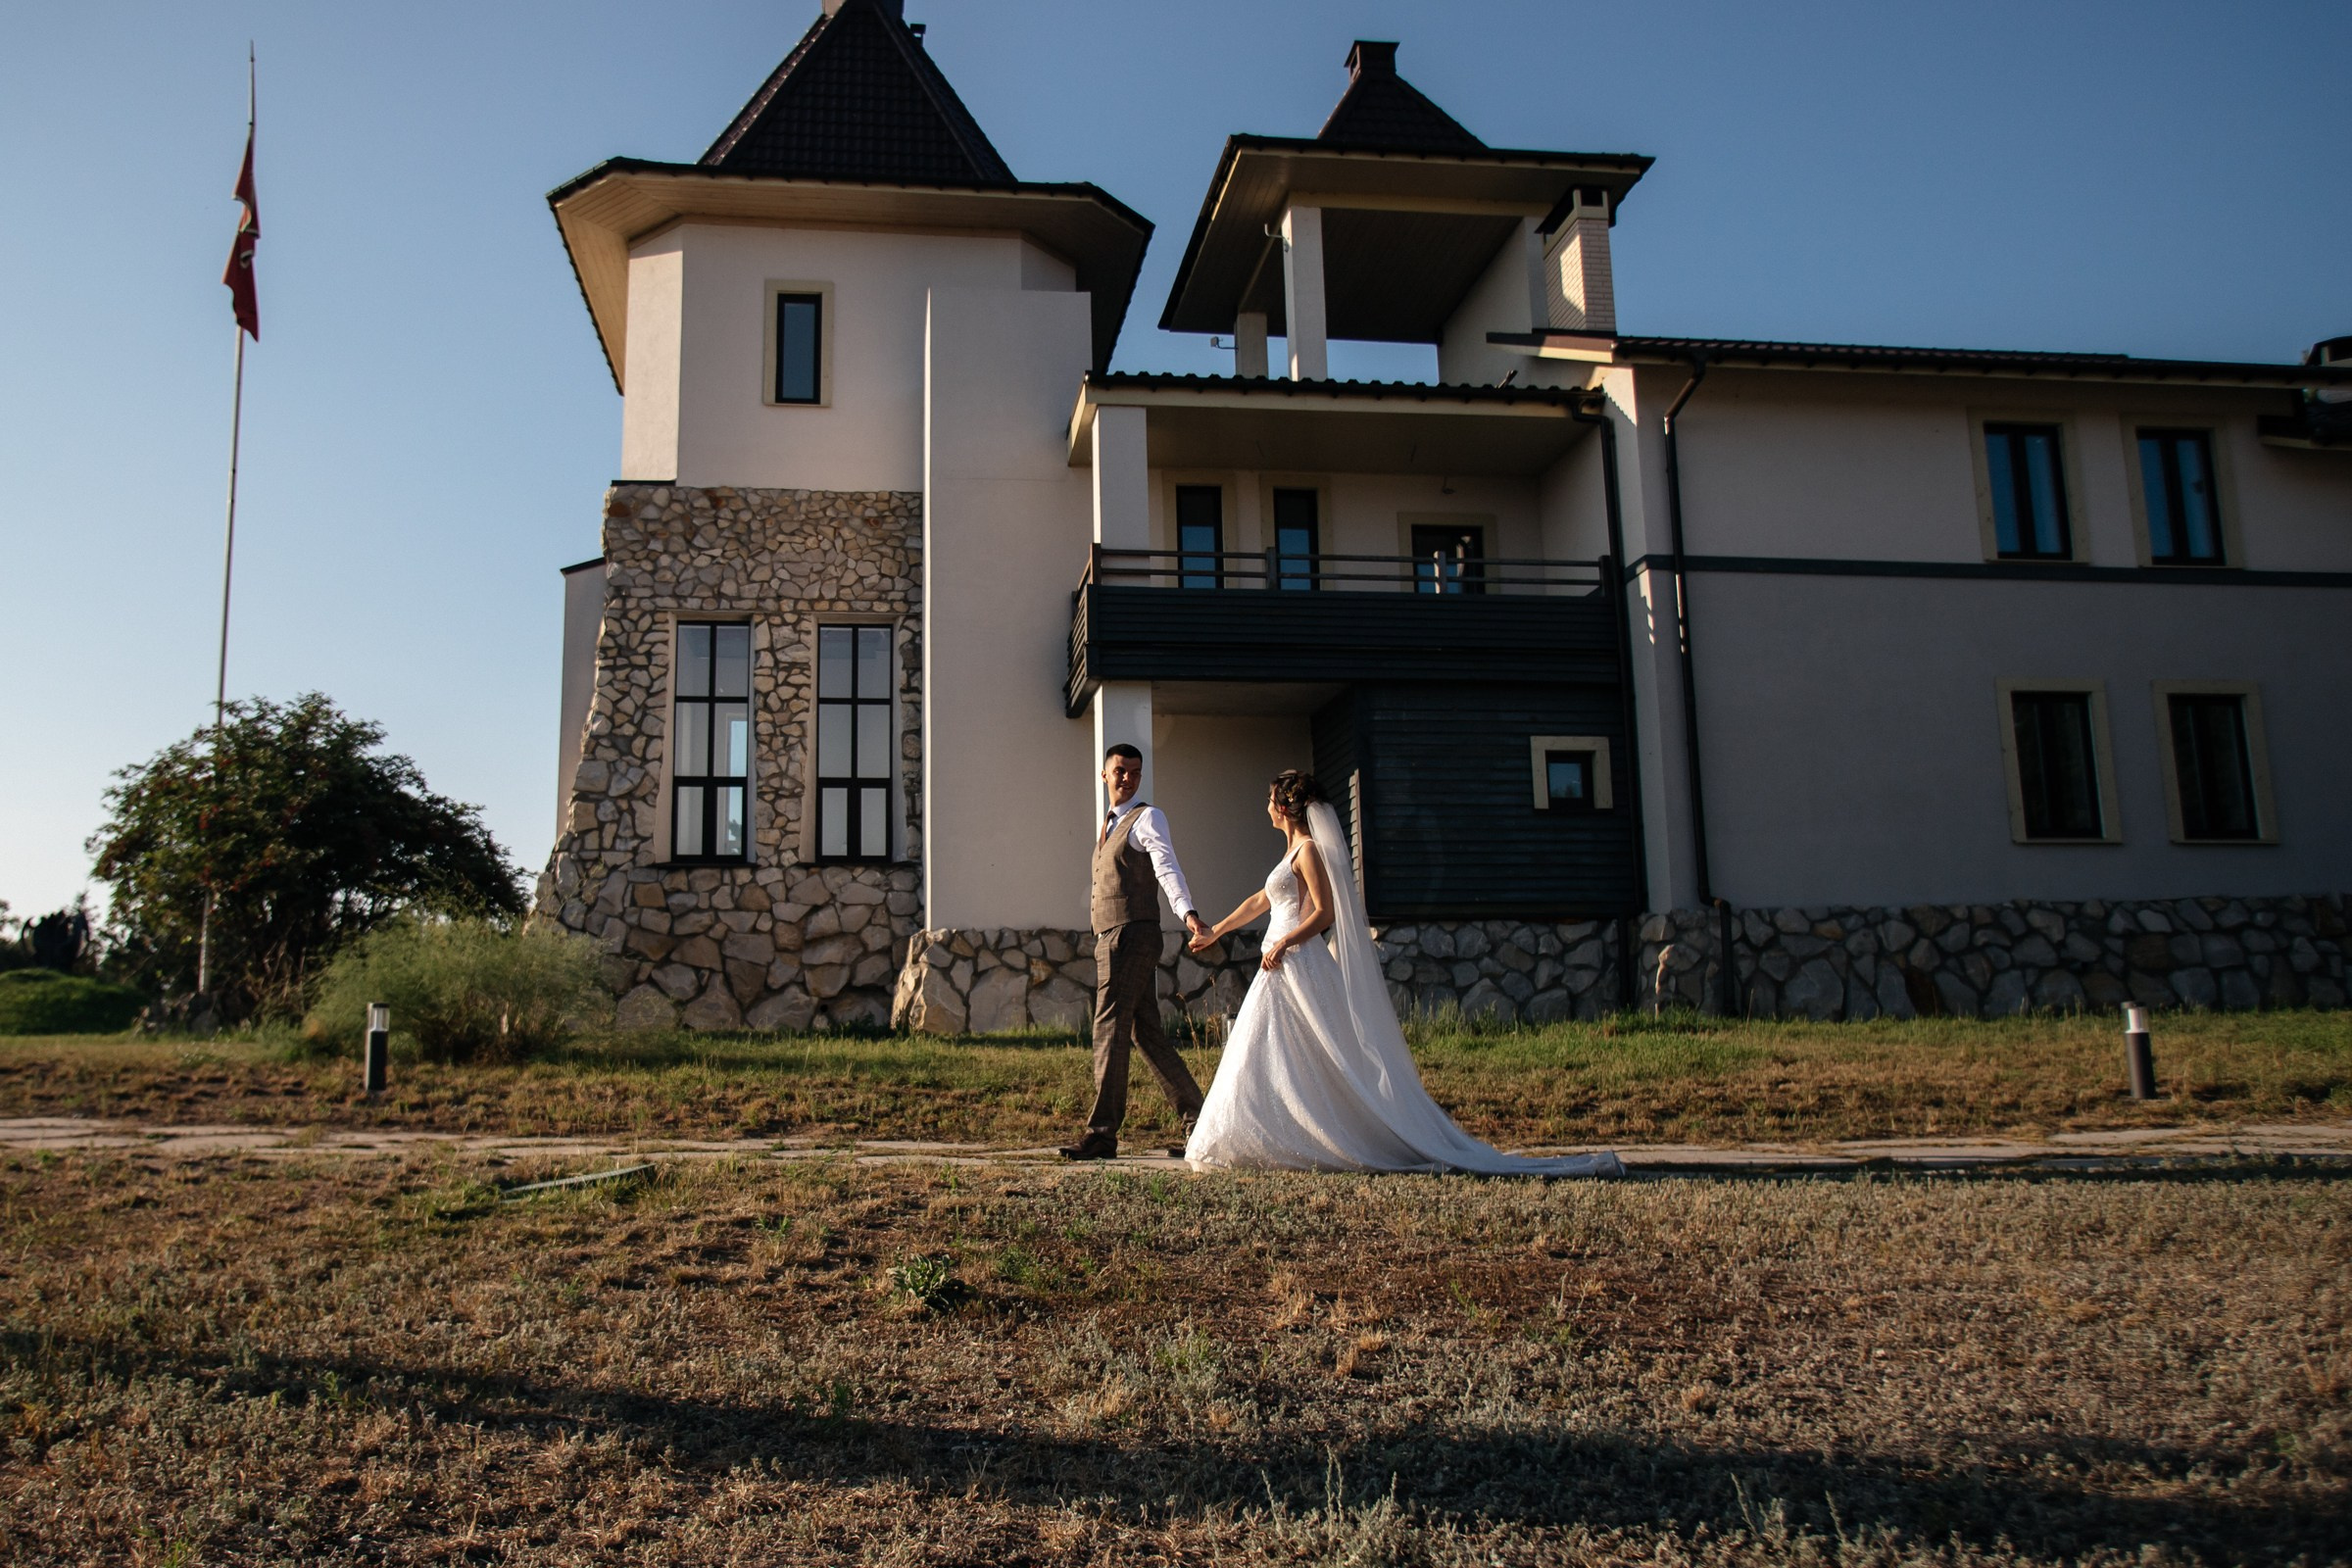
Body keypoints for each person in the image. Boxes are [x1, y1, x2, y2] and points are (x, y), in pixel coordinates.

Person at [1184, 769, 1623, 1177]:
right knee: (1271, 1050)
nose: (1266, 808)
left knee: (1321, 1052)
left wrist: (1284, 942)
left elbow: (1324, 913)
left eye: (1269, 801)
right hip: (1277, 963)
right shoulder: (1290, 853)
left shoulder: (1310, 851)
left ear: (1282, 806)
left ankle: (1326, 1135)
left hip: (1295, 959)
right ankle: (1262, 1136)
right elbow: (1263, 900)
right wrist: (1216, 930)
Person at [1061, 743, 1213, 1161]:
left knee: (1108, 1026)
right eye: (1120, 770)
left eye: (1134, 772)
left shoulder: (1148, 817)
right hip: (1115, 935)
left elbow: (1166, 865)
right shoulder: (1110, 824)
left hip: (1129, 935)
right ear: (1105, 775)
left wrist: (1189, 913)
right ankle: (1200, 1125)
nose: (1127, 777)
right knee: (1144, 1032)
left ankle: (1102, 1134)